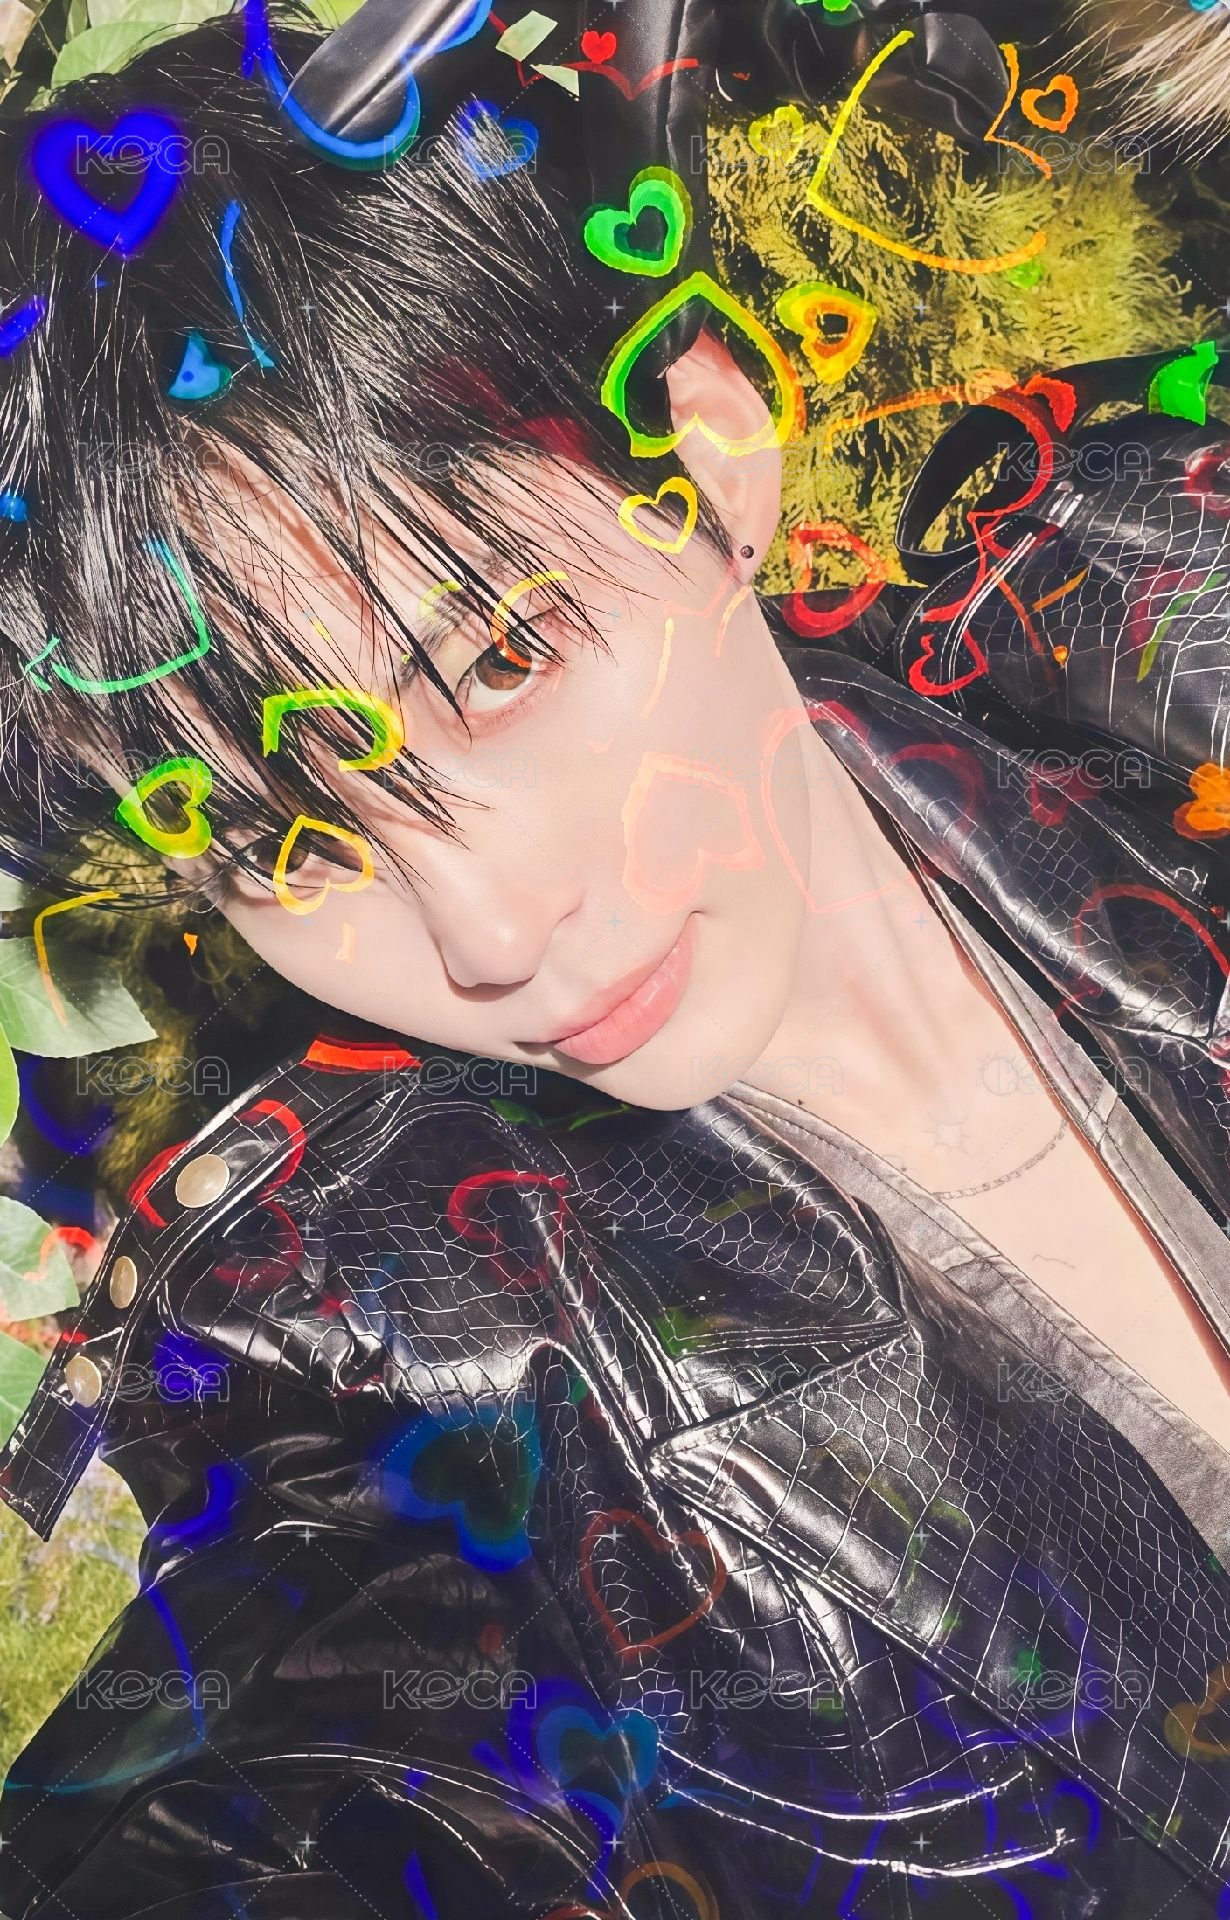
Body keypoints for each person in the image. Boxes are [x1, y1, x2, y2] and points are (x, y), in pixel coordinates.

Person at [0, 3, 1226, 1916]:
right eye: (277, 843)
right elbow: (310, 1786)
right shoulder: (411, 1387)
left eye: (499, 656)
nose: (488, 934)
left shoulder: (1159, 614)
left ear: (712, 452)